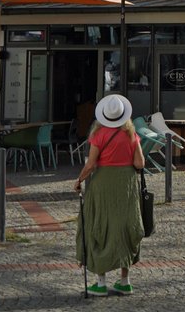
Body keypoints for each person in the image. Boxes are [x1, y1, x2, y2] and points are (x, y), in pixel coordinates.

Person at [73, 93, 145, 297]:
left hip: (103, 184)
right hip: (127, 185)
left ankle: (101, 282)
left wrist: (79, 181)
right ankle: (125, 281)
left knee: (99, 226)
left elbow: (91, 165)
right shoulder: (132, 135)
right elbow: (140, 164)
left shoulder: (99, 134)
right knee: (124, 227)